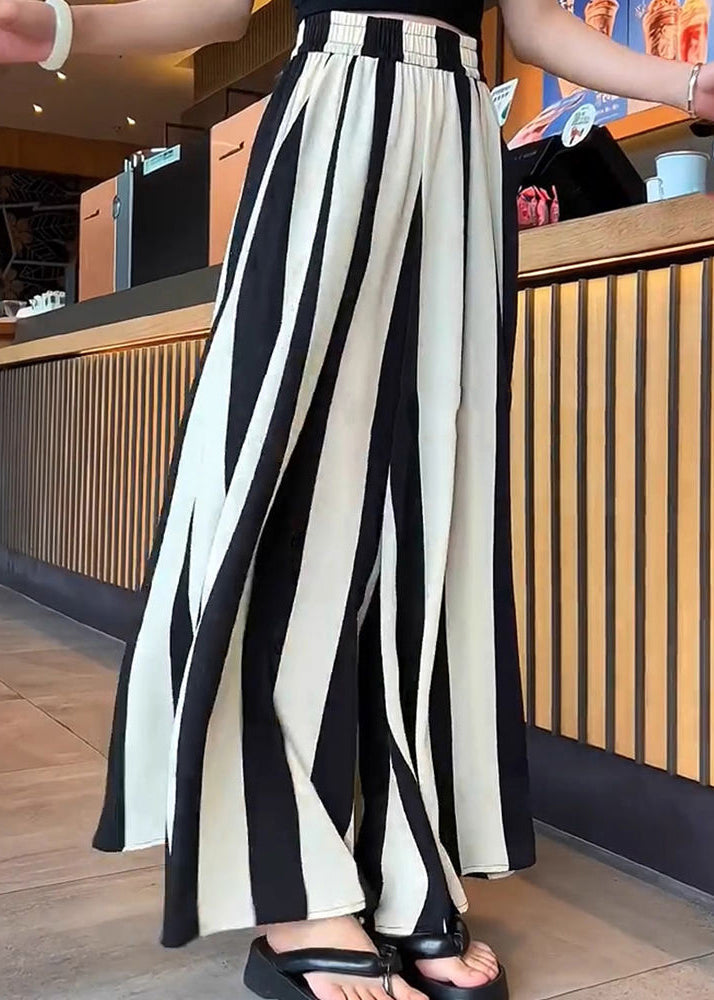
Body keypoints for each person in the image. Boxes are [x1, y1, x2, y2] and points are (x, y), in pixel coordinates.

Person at [1, 2, 712, 1000]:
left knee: (432, 509)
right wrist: (56, 29)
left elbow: (533, 23)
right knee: (291, 493)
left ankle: (404, 858)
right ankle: (292, 877)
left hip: (456, 139)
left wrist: (689, 84)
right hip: (335, 112)